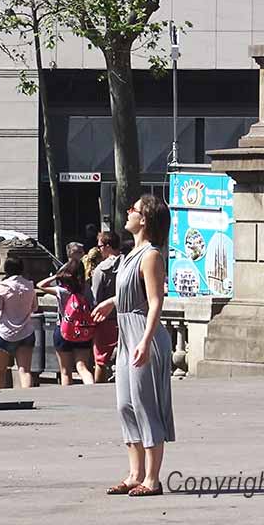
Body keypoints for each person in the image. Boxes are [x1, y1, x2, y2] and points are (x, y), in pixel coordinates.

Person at [93, 194, 176, 497]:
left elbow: (155, 302)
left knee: (145, 405)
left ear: (145, 219)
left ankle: (152, 479)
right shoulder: (131, 254)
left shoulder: (151, 255)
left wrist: (145, 340)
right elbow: (134, 293)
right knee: (125, 405)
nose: (128, 212)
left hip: (143, 333)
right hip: (128, 334)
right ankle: (134, 473)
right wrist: (112, 303)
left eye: (134, 209)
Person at [37, 242, 98, 386]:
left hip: (64, 329)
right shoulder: (87, 289)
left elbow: (40, 285)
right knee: (82, 366)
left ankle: (69, 395)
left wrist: (56, 276)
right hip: (83, 330)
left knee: (65, 371)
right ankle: (92, 389)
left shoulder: (61, 291)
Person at [0, 255, 37, 389]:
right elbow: (34, 307)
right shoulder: (29, 285)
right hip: (26, 332)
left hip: (5, 333)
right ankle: (28, 399)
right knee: (25, 371)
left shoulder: (3, 286)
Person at [91, 231, 123, 384]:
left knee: (101, 361)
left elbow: (96, 298)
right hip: (126, 317)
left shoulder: (100, 270)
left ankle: (99, 390)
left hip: (106, 320)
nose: (99, 250)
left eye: (100, 246)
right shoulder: (129, 263)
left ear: (108, 246)